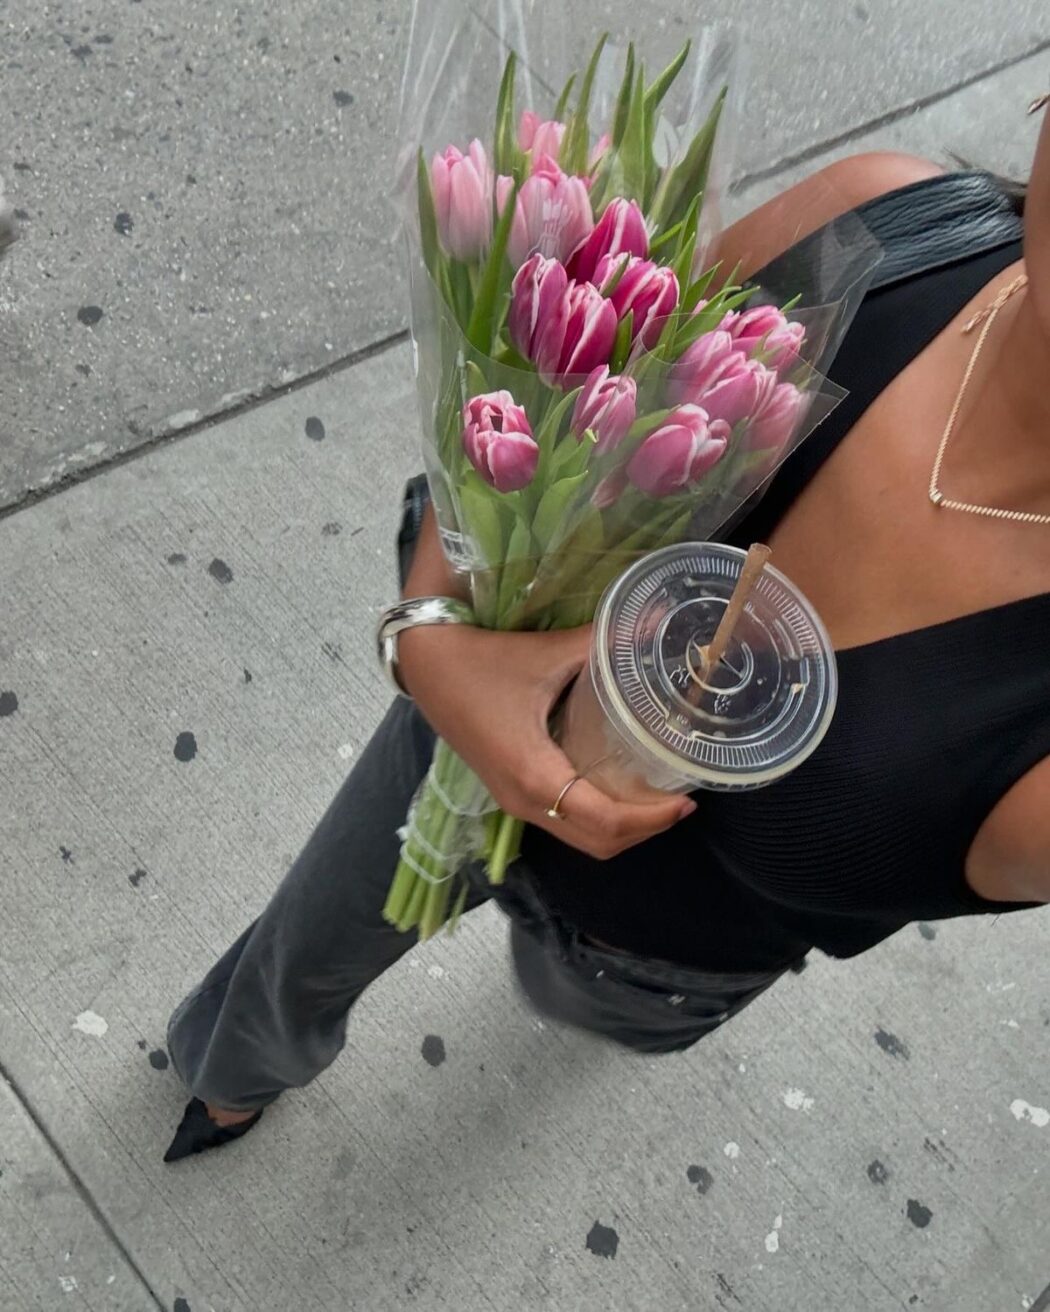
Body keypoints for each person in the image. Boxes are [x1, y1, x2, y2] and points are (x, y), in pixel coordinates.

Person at [163, 95, 1050, 1161]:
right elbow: (556, 397)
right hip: (470, 709)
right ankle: (234, 1068)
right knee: (313, 933)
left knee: (568, 995)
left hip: (635, 953)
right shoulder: (885, 224)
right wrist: (432, 637)